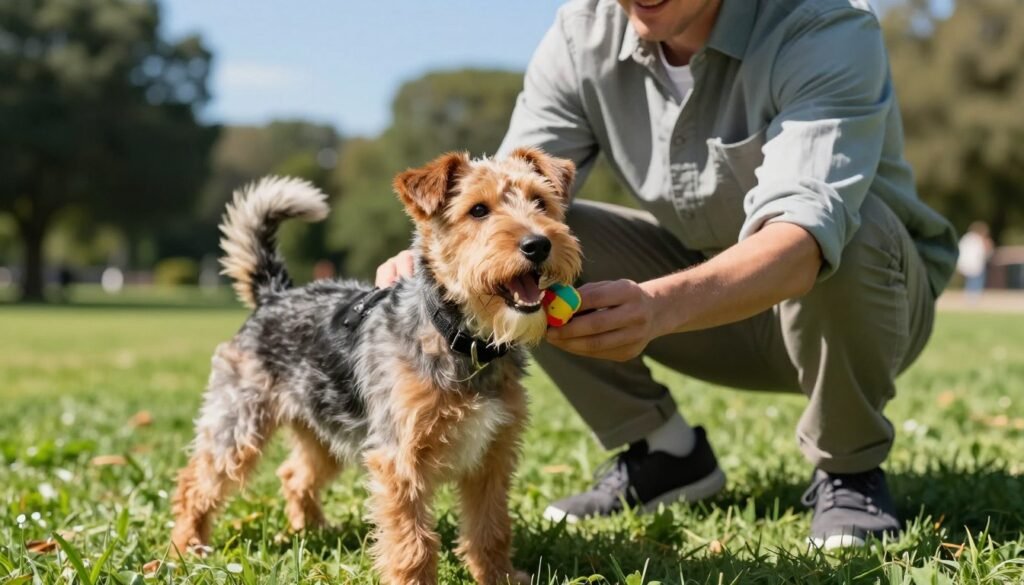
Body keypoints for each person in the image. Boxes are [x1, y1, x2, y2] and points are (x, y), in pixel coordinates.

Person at [377, 0, 958, 549]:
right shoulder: (585, 33)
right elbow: (499, 202)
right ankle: (666, 453)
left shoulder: (822, 24)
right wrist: (428, 264)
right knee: (534, 246)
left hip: (863, 311)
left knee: (841, 231)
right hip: (710, 315)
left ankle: (849, 472)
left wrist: (660, 306)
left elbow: (802, 240)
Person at [956, 221, 993, 302]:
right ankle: (973, 298)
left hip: (966, 264)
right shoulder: (978, 239)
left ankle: (970, 296)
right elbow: (985, 252)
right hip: (975, 264)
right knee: (976, 280)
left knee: (971, 280)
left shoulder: (966, 238)